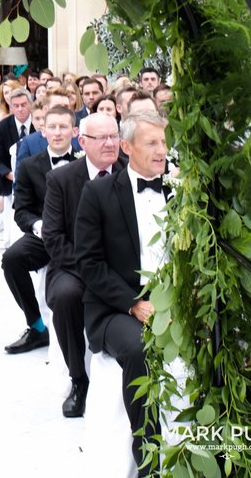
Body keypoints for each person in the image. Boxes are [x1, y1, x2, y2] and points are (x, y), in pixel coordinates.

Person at [75, 113, 170, 473]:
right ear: (127, 148)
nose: (162, 150)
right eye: (152, 143)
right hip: (115, 307)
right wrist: (133, 305)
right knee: (138, 349)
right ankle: (148, 457)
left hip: (173, 301)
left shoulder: (178, 191)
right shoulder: (99, 192)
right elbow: (89, 262)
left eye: (163, 142)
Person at [41, 112, 123, 418]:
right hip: (73, 266)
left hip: (121, 267)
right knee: (65, 296)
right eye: (101, 138)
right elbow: (52, 237)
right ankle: (79, 380)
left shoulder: (130, 173)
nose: (109, 143)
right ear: (82, 142)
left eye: (113, 136)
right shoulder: (61, 179)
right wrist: (90, 269)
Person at [1, 105, 78, 355]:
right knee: (11, 259)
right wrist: (39, 226)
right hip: (44, 236)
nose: (57, 132)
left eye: (63, 127)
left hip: (81, 237)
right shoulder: (30, 166)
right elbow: (21, 210)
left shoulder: (85, 161)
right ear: (42, 130)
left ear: (74, 131)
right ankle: (36, 326)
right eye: (52, 127)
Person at [0, 85, 34, 255]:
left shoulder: (39, 124)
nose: (20, 109)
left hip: (36, 177)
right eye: (16, 105)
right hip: (9, 176)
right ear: (10, 106)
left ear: (30, 104)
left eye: (23, 104)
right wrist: (11, 175)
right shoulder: (3, 126)